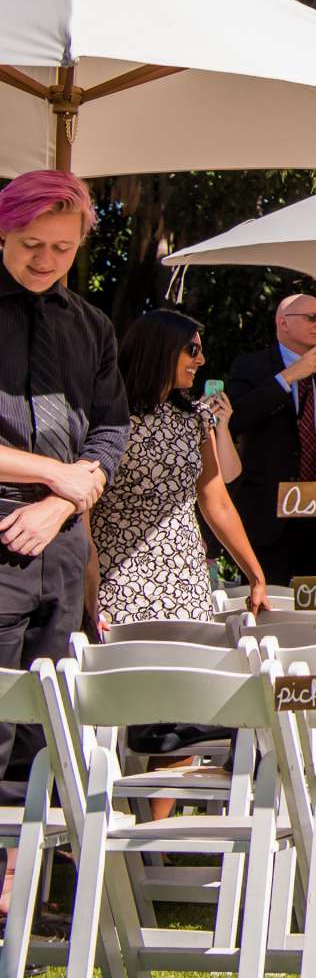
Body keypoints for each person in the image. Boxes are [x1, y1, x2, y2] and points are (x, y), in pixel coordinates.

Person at [0, 171, 128, 805]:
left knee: (47, 730)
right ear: (4, 232)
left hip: (65, 544)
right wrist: (52, 474)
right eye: (31, 244)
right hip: (0, 536)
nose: (45, 259)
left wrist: (59, 503)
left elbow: (110, 432)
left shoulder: (93, 326)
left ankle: (26, 891)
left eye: (61, 247)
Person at [88, 309, 271, 627]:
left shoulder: (196, 417)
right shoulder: (105, 416)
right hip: (115, 578)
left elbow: (217, 502)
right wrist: (86, 597)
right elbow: (82, 515)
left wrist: (256, 575)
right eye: (193, 349)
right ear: (161, 349)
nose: (201, 360)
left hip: (186, 579)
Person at [224, 292, 316, 584]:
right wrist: (287, 378)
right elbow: (234, 420)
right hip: (270, 514)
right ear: (283, 323)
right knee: (270, 610)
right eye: (312, 317)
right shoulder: (252, 366)